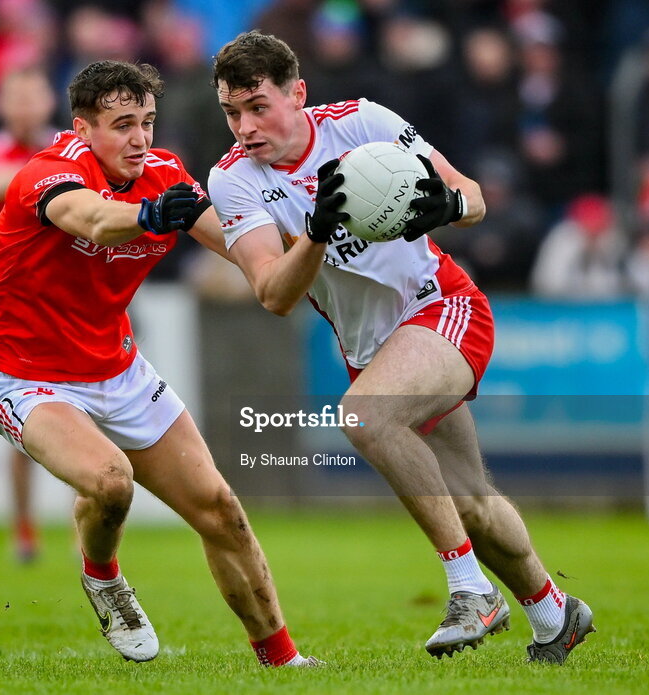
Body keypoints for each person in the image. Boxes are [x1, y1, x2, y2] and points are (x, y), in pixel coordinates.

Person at [207, 30, 594, 664]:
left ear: (297, 94)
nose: (244, 126)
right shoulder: (234, 180)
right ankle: (555, 615)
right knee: (470, 501)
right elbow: (274, 293)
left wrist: (444, 205)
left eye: (257, 106)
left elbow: (472, 196)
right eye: (231, 112)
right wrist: (316, 233)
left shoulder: (362, 123)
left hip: (443, 306)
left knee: (364, 415)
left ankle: (471, 591)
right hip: (375, 350)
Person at [0, 59, 317, 667]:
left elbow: (244, 249)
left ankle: (282, 660)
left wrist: (322, 239)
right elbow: (92, 219)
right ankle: (103, 576)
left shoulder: (164, 175)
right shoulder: (46, 174)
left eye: (148, 122)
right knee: (111, 481)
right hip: (26, 375)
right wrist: (150, 216)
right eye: (123, 124)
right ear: (83, 129)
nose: (140, 138)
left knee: (220, 511)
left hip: (118, 370)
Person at [0, 67, 59, 561]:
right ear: (3, 105)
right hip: (18, 308)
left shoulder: (62, 149)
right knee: (23, 428)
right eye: (15, 96)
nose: (25, 106)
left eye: (33, 93)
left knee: (93, 422)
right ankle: (24, 530)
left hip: (71, 300)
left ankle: (85, 535)